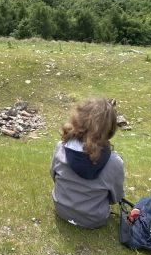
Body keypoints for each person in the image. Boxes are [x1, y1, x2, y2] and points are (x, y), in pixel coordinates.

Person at [50, 97, 124, 229]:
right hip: (93, 219)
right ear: (109, 129)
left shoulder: (60, 148)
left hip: (61, 210)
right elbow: (115, 198)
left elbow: (54, 176)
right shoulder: (114, 163)